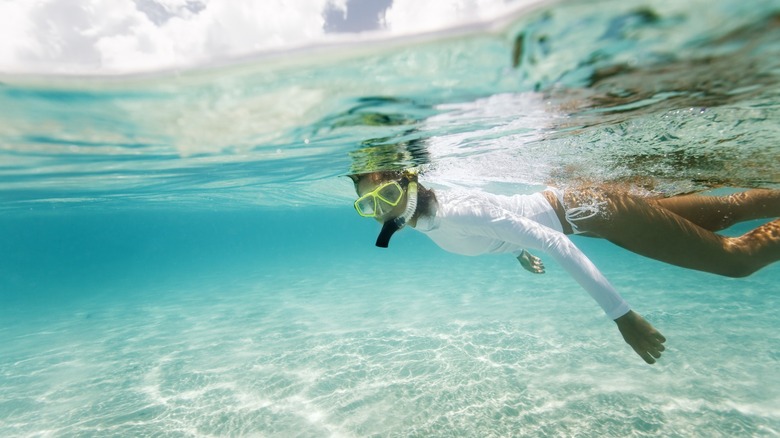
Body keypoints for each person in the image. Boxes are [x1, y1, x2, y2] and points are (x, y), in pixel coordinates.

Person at [349, 169, 780, 364]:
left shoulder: (455, 212)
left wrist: (622, 317)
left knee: (735, 260)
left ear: (410, 179)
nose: (380, 214)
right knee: (725, 210)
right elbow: (509, 218)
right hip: (588, 209)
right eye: (366, 206)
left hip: (595, 213)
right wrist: (517, 250)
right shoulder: (434, 216)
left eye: (385, 197)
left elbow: (550, 237)